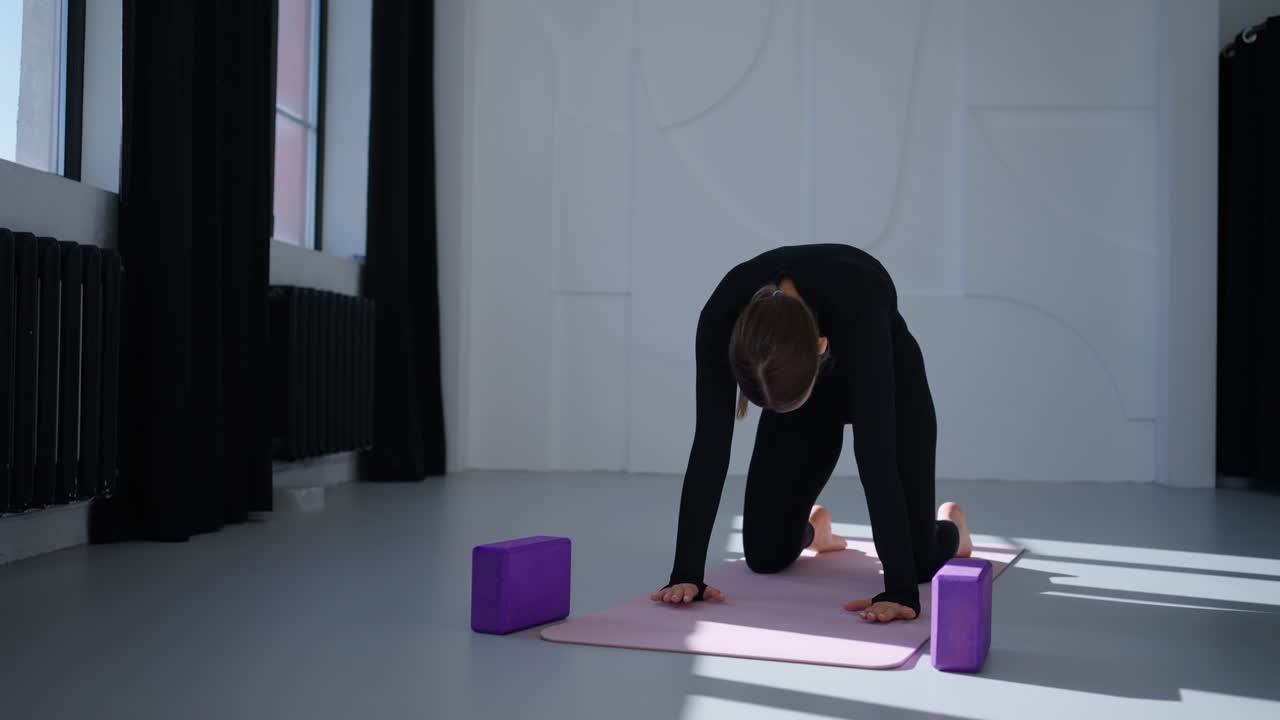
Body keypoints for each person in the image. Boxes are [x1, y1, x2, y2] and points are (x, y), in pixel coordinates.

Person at [648, 244, 974, 623]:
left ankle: (953, 528)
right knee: (765, 556)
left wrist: (899, 591)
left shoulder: (858, 296)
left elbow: (876, 455)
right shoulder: (723, 316)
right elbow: (709, 446)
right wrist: (686, 574)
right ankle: (815, 528)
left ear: (822, 347)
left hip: (893, 386)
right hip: (799, 395)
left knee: (917, 566)